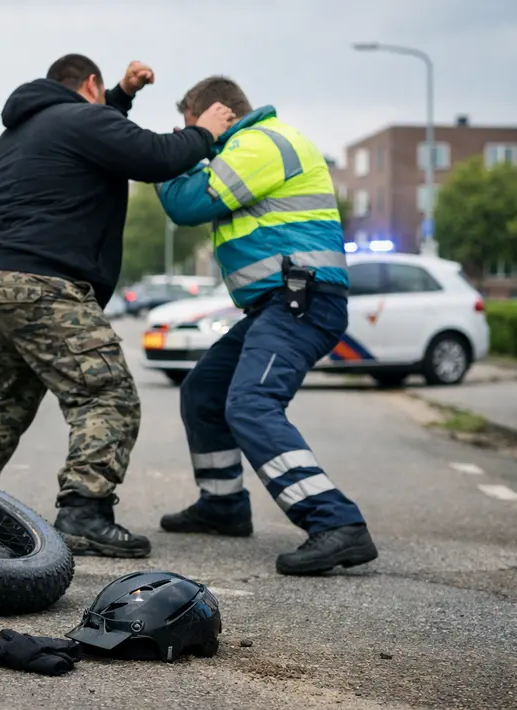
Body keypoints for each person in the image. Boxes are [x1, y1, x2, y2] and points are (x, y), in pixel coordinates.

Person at [0, 54, 237, 559]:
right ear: (90, 85)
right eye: (106, 97)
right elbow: (156, 156)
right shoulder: (82, 120)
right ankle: (84, 513)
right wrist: (205, 132)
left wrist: (121, 95)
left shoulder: (24, 128)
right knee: (108, 396)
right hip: (44, 284)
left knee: (4, 402)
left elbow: (103, 131)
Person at [154, 76, 378, 576]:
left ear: (220, 115)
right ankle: (223, 505)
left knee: (251, 404)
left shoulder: (260, 144)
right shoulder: (246, 150)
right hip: (279, 305)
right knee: (203, 393)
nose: (194, 138)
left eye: (194, 126)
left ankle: (336, 521)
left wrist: (171, 157)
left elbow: (186, 203)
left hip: (302, 302)